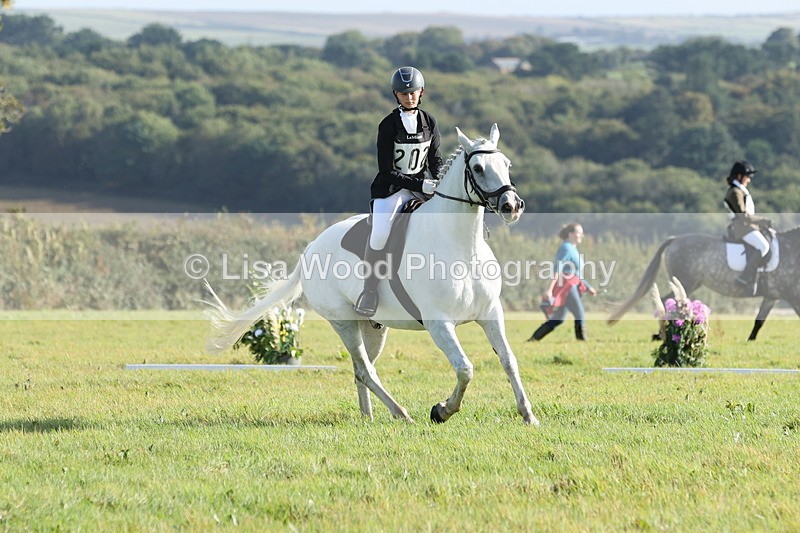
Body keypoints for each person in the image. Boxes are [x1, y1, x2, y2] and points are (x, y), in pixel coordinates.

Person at [353, 66, 444, 317]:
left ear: (421, 92)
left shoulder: (430, 121)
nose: (409, 97)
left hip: (422, 188)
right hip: (391, 190)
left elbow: (435, 161)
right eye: (404, 94)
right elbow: (385, 170)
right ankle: (368, 291)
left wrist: (440, 181)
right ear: (396, 95)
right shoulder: (388, 125)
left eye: (413, 92)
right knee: (380, 234)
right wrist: (420, 185)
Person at [527, 222, 597, 341]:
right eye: (579, 233)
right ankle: (582, 341)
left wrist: (587, 286)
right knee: (580, 313)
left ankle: (533, 340)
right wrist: (549, 290)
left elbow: (576, 273)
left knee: (558, 318)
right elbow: (557, 269)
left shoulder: (573, 249)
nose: (582, 235)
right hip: (567, 287)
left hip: (573, 284)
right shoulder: (566, 248)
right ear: (570, 234)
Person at [724, 160, 771, 296]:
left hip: (749, 226)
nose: (749, 180)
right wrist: (762, 221)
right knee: (763, 246)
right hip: (742, 227)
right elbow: (743, 216)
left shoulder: (740, 190)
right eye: (748, 176)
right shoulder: (734, 192)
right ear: (739, 176)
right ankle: (744, 277)